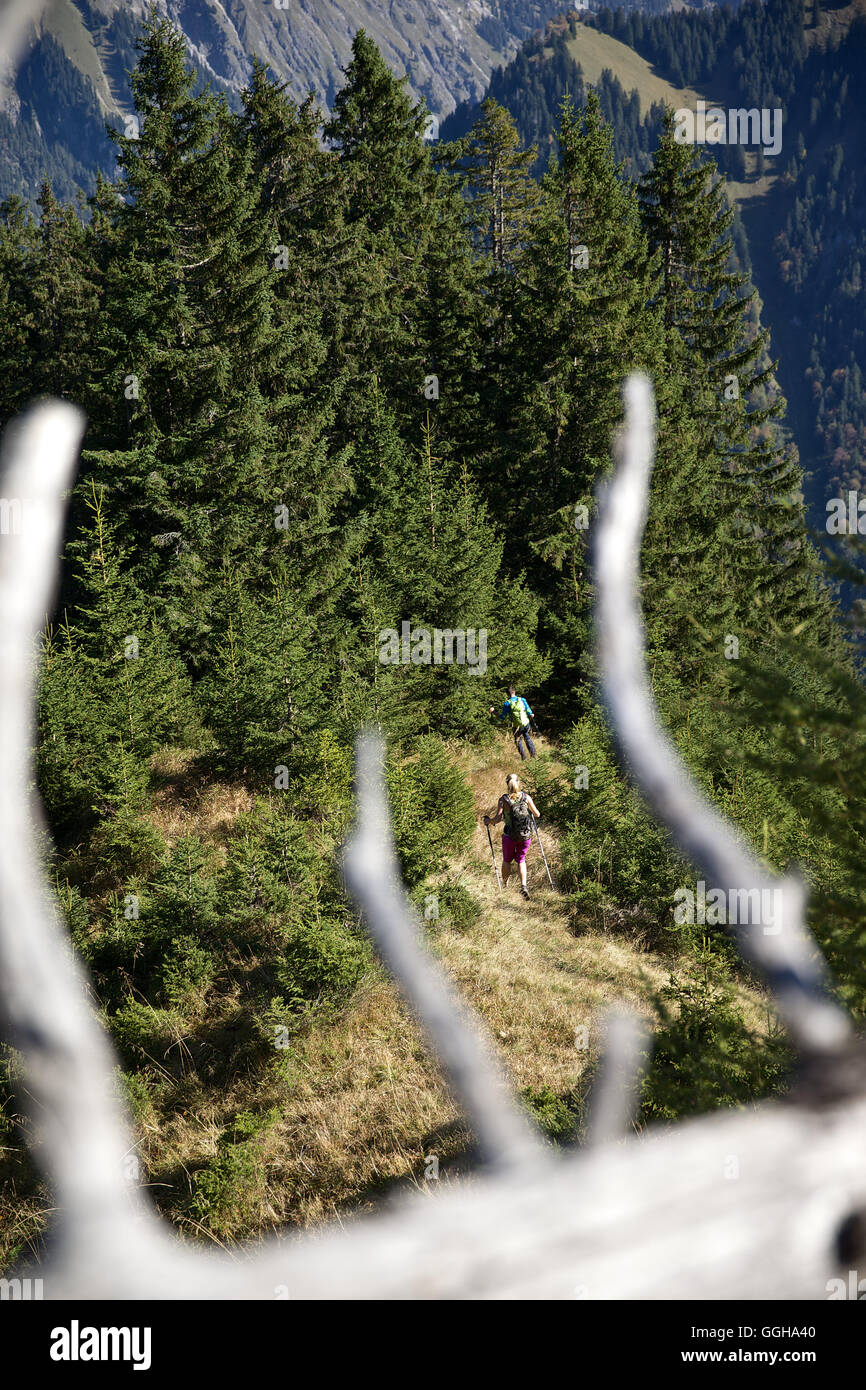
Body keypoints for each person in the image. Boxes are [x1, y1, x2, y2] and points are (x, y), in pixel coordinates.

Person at [484, 774, 540, 900]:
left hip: (509, 836)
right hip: (526, 835)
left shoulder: (504, 800)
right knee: (521, 859)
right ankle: (523, 886)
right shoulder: (526, 797)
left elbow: (498, 819)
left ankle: (505, 885)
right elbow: (537, 814)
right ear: (518, 783)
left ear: (507, 784)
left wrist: (489, 821)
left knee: (507, 860)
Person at [490, 685, 537, 760]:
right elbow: (529, 711)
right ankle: (534, 756)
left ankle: (524, 758)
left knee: (517, 741)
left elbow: (502, 717)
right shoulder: (522, 699)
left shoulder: (507, 703)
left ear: (507, 694)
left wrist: (493, 711)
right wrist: (531, 714)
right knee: (527, 737)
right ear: (514, 691)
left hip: (516, 725)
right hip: (525, 724)